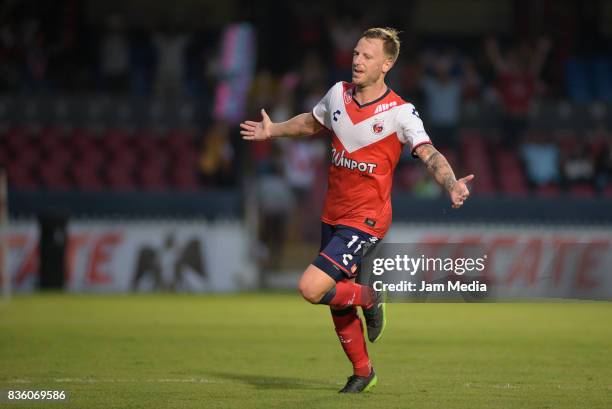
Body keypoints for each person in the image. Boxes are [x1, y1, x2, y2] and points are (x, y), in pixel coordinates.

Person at [240, 27, 473, 393]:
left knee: (312, 287)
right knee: (337, 302)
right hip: (332, 213)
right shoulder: (337, 94)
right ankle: (363, 372)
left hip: (367, 220)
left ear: (387, 64)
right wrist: (274, 131)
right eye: (356, 53)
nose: (357, 60)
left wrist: (452, 182)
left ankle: (371, 296)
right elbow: (311, 122)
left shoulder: (401, 113)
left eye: (367, 56)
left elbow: (429, 154)